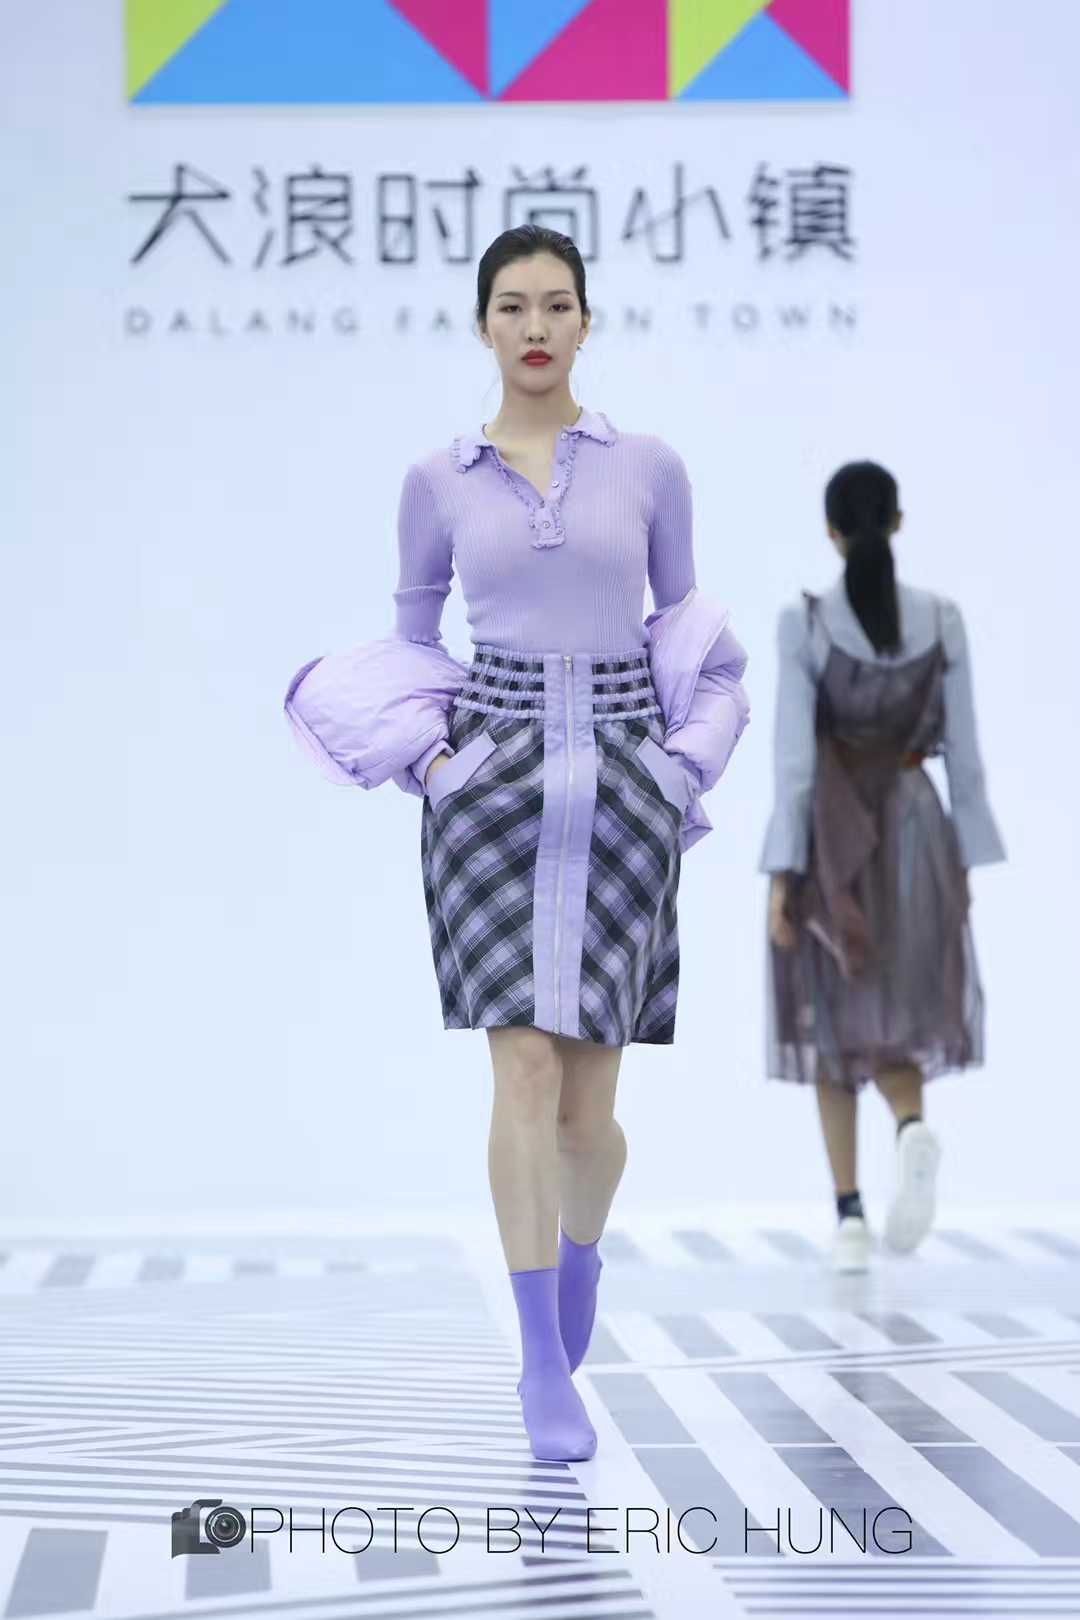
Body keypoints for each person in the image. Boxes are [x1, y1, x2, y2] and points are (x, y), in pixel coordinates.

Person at [284, 225, 749, 1460]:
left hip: (622, 787)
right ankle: (542, 1359)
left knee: (590, 1113)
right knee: (524, 1072)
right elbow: (410, 649)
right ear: (482, 324)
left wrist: (678, 769)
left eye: (555, 305)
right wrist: (436, 770)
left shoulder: (650, 467)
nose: (534, 326)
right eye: (511, 306)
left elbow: (692, 639)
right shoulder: (436, 482)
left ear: (587, 321)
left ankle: (579, 1250)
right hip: (490, 793)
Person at [760, 461, 1005, 1273]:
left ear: (832, 533)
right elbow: (965, 758)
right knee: (900, 1004)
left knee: (829, 1014)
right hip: (915, 825)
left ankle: (851, 1218)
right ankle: (910, 1129)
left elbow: (795, 764)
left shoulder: (806, 624)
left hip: (834, 835)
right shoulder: (943, 620)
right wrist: (965, 862)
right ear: (897, 523)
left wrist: (783, 874)